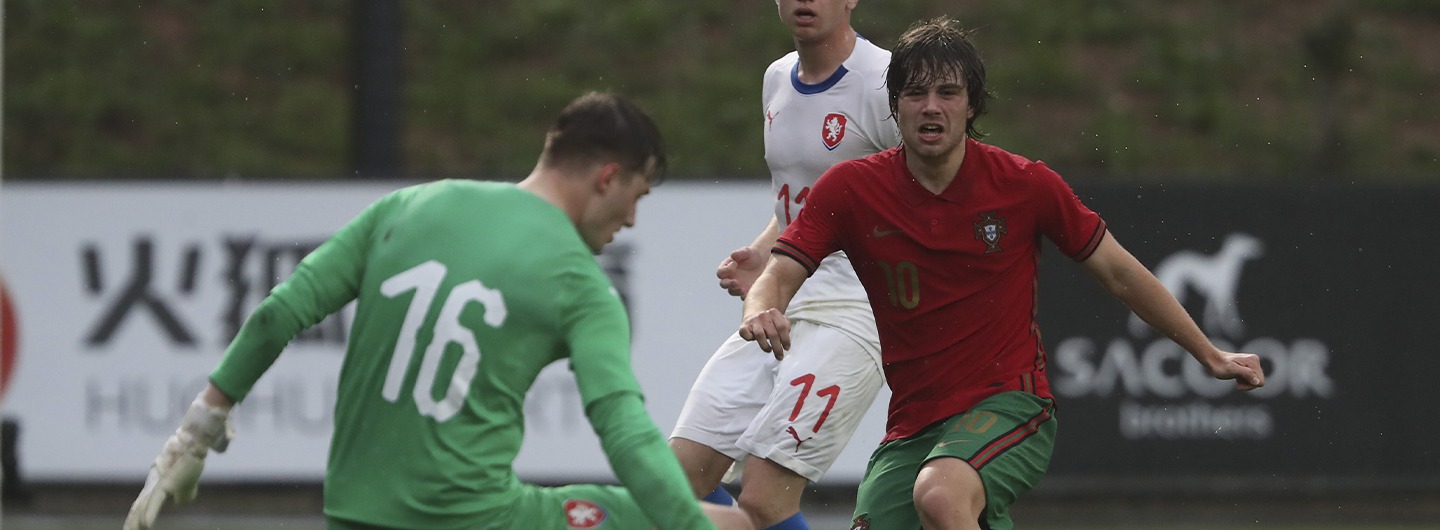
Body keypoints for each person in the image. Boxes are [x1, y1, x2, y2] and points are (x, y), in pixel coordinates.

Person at [123, 92, 753, 530]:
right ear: (607, 177)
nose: (632, 220)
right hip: (473, 520)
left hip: (352, 515)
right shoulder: (579, 283)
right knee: (724, 522)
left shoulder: (409, 207)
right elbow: (625, 433)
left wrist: (196, 433)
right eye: (637, 196)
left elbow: (277, 313)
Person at [737, 17, 1267, 530]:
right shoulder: (850, 189)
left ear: (973, 105)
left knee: (940, 495)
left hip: (1009, 403)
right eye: (915, 94)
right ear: (893, 105)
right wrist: (761, 307)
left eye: (948, 93)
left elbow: (1120, 274)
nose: (931, 108)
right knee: (925, 499)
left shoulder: (1026, 184)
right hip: (913, 425)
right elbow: (780, 272)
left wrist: (1210, 353)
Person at [668, 0, 898, 528]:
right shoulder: (776, 78)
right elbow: (797, 204)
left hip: (857, 310)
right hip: (786, 300)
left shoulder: (886, 80)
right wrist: (767, 250)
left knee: (765, 501)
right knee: (674, 484)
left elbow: (927, 194)